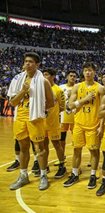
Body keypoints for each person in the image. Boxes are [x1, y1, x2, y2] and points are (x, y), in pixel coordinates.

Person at [8, 52, 54, 190]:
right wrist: (23, 91)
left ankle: (43, 175)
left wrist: (38, 109)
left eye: (31, 62)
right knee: (23, 147)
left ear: (37, 64)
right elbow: (12, 103)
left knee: (39, 148)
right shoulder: (17, 79)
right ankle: (23, 176)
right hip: (20, 117)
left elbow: (51, 102)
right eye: (26, 61)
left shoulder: (43, 81)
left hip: (35, 118)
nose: (27, 64)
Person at [63, 62, 105, 189]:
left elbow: (103, 109)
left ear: (94, 73)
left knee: (94, 151)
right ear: (83, 72)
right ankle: (75, 174)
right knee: (76, 150)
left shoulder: (100, 88)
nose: (88, 72)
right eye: (86, 70)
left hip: (94, 124)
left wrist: (101, 126)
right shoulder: (76, 87)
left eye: (91, 70)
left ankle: (93, 175)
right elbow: (70, 106)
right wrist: (84, 99)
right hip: (79, 124)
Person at [42, 68, 67, 179]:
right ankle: (45, 165)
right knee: (43, 145)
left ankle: (62, 165)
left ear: (53, 76)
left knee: (57, 144)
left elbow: (62, 106)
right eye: (43, 75)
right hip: (41, 123)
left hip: (53, 123)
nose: (44, 77)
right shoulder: (40, 89)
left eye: (46, 75)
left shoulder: (58, 90)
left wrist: (53, 113)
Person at [57, 70, 78, 166]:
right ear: (67, 77)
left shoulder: (79, 87)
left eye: (74, 76)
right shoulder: (61, 87)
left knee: (76, 140)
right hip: (63, 116)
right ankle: (62, 157)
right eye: (71, 76)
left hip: (75, 117)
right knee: (62, 139)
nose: (72, 77)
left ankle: (76, 158)